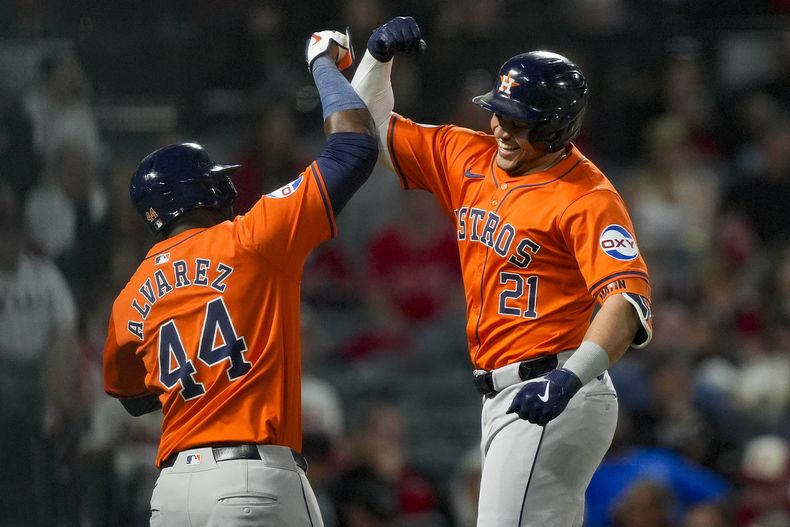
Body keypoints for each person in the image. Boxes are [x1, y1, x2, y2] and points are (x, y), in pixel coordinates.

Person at [349, 16, 654, 526]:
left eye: (519, 121)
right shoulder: (468, 155)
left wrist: (568, 380)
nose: (501, 128)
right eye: (500, 113)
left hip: (556, 386)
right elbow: (367, 132)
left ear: (556, 127)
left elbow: (625, 303)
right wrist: (377, 61)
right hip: (507, 391)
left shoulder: (588, 198)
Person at [103, 29, 377, 526]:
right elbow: (353, 150)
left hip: (172, 493)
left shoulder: (128, 297)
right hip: (250, 481)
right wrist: (322, 65)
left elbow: (134, 399)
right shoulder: (250, 238)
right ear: (201, 190)